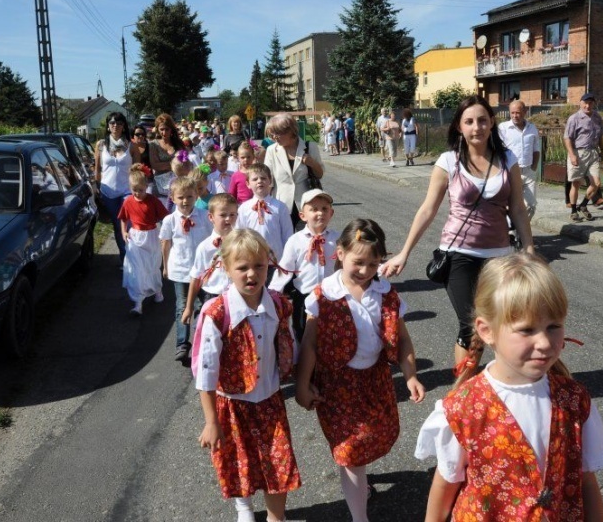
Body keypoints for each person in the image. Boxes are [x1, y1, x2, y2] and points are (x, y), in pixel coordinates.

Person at [415, 253, 603, 521]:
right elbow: (446, 483)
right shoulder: (463, 407)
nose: (544, 342)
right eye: (527, 330)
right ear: (487, 331)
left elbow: (586, 480)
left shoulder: (574, 399)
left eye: (553, 326)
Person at [384, 95, 534, 365]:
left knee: (498, 326)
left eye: (482, 120)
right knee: (471, 327)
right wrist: (404, 253)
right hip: (459, 254)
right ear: (459, 127)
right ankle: (463, 392)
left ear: (491, 124)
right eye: (469, 122)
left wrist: (530, 249)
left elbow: (518, 209)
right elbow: (427, 209)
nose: (477, 127)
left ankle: (500, 384)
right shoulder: (449, 161)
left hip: (499, 257)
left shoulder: (507, 159)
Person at [296, 219, 425, 522]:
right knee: (350, 452)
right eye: (359, 262)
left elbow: (403, 338)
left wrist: (411, 376)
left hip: (375, 381)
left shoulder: (385, 293)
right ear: (339, 253)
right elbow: (310, 345)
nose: (366, 270)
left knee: (372, 440)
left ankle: (358, 478)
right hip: (337, 386)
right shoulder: (323, 296)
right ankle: (359, 517)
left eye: (374, 263)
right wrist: (302, 385)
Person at [193, 229, 300, 522]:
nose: (251, 274)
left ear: (269, 264)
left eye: (259, 266)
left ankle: (276, 517)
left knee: (279, 463)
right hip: (232, 403)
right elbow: (205, 370)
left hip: (270, 400)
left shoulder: (279, 305)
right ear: (226, 269)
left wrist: (303, 381)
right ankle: (244, 509)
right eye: (242, 267)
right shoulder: (216, 312)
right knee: (239, 462)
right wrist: (211, 421)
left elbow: (291, 344)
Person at [268, 188, 339, 341]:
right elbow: (285, 268)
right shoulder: (296, 240)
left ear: (331, 213)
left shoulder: (337, 239)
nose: (320, 213)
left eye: (324, 209)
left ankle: (325, 363)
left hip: (332, 296)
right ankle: (305, 363)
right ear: (302, 215)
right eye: (313, 209)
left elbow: (349, 263)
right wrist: (272, 292)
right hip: (305, 297)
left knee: (330, 334)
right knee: (303, 334)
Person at [160, 175, 210, 362]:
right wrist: (165, 267)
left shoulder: (205, 217)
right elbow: (165, 243)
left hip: (203, 271)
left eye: (189, 196)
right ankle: (182, 343)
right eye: (180, 197)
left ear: (196, 196)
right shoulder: (170, 220)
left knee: (204, 305)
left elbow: (213, 240)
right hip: (180, 270)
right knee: (182, 307)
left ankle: (202, 341)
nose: (185, 201)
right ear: (173, 198)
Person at [118, 164, 170, 316]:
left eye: (141, 190)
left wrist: (167, 233)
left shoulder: (153, 200)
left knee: (152, 266)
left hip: (152, 236)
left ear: (146, 186)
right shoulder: (128, 201)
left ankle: (157, 290)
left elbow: (165, 217)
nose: (138, 193)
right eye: (135, 190)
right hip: (135, 237)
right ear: (130, 188)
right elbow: (123, 218)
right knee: (137, 270)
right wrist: (123, 232)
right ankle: (138, 302)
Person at [181, 193, 239, 326]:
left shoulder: (241, 243)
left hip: (237, 296)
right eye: (223, 215)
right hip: (212, 296)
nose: (228, 219)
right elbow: (196, 277)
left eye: (232, 214)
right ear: (211, 217)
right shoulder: (205, 247)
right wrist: (189, 307)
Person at [94, 112, 142, 262]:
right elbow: (97, 169)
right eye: (112, 123)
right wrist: (97, 188)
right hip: (108, 192)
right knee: (116, 224)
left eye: (119, 123)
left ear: (124, 126)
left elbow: (138, 170)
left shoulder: (132, 146)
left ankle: (132, 256)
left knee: (128, 223)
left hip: (127, 191)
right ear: (108, 126)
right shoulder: (101, 145)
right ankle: (124, 256)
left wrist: (139, 189)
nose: (116, 126)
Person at [263, 113, 324, 230]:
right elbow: (268, 179)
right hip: (281, 204)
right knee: (285, 242)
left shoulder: (310, 147)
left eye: (278, 133)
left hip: (307, 204)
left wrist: (312, 163)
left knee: (306, 241)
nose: (274, 137)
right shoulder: (271, 150)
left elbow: (320, 174)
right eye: (272, 134)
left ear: (291, 131)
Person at [236, 163, 293, 276]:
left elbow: (288, 234)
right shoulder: (244, 208)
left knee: (275, 291)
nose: (259, 181)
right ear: (248, 184)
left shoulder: (280, 207)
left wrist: (288, 259)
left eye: (263, 178)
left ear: (270, 181)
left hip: (276, 260)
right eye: (255, 179)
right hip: (252, 260)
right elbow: (239, 234)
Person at [564, 93, 603, 222]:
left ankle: (583, 205)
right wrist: (572, 155)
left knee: (596, 183)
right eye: (585, 103)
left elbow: (600, 135)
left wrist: (602, 149)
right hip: (578, 153)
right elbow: (567, 138)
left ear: (593, 104)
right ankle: (573, 211)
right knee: (576, 183)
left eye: (590, 103)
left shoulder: (597, 117)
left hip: (593, 152)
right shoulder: (574, 118)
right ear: (580, 103)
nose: (588, 106)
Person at [498, 100, 540, 219]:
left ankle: (519, 232)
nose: (515, 116)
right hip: (510, 172)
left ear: (525, 112)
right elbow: (498, 150)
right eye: (512, 113)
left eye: (518, 112)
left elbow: (536, 149)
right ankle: (512, 233)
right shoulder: (503, 128)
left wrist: (534, 168)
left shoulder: (532, 128)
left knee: (531, 205)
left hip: (528, 172)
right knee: (510, 204)